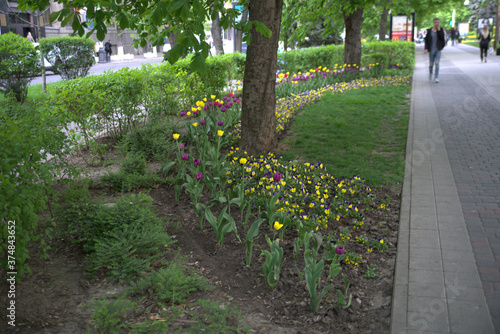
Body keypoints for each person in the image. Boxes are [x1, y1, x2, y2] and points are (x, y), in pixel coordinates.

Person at [424, 17, 445, 83]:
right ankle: (430, 74)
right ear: (433, 22)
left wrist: (439, 31)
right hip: (431, 50)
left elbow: (442, 39)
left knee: (437, 63)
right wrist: (426, 48)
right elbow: (426, 40)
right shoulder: (429, 31)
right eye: (435, 22)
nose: (436, 24)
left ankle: (436, 77)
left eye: (438, 22)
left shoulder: (441, 30)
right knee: (431, 64)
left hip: (438, 49)